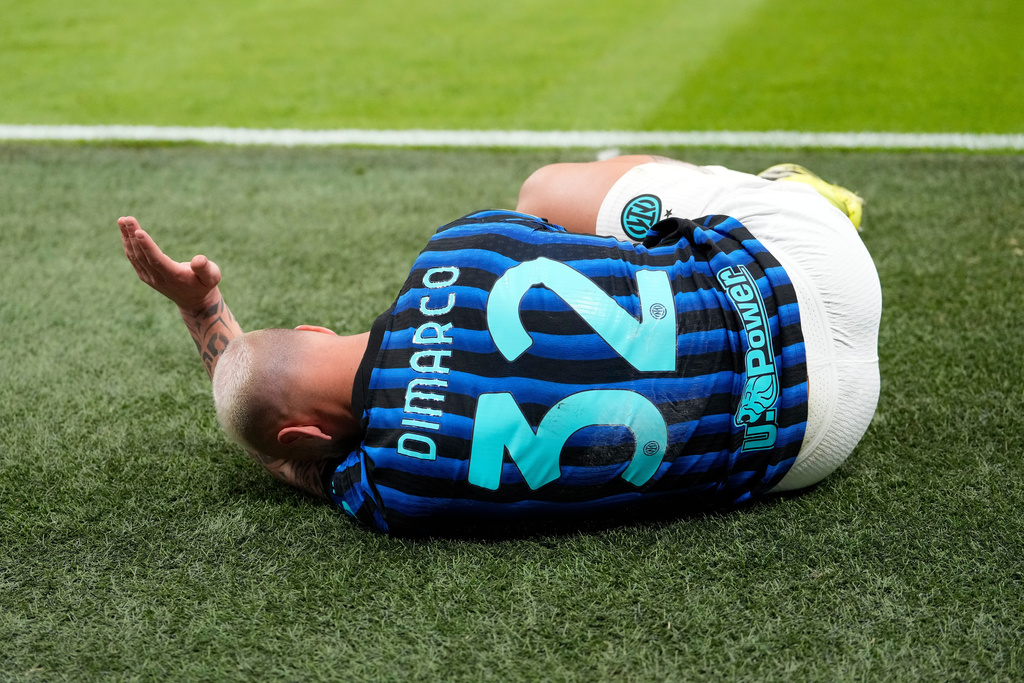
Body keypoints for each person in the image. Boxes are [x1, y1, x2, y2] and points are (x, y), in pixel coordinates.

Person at [118, 155, 881, 534]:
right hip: (819, 265)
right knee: (543, 192)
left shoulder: (396, 488)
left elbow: (278, 447)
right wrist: (204, 297)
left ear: (311, 436)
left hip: (808, 440)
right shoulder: (458, 250)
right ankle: (785, 184)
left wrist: (205, 320)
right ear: (316, 330)